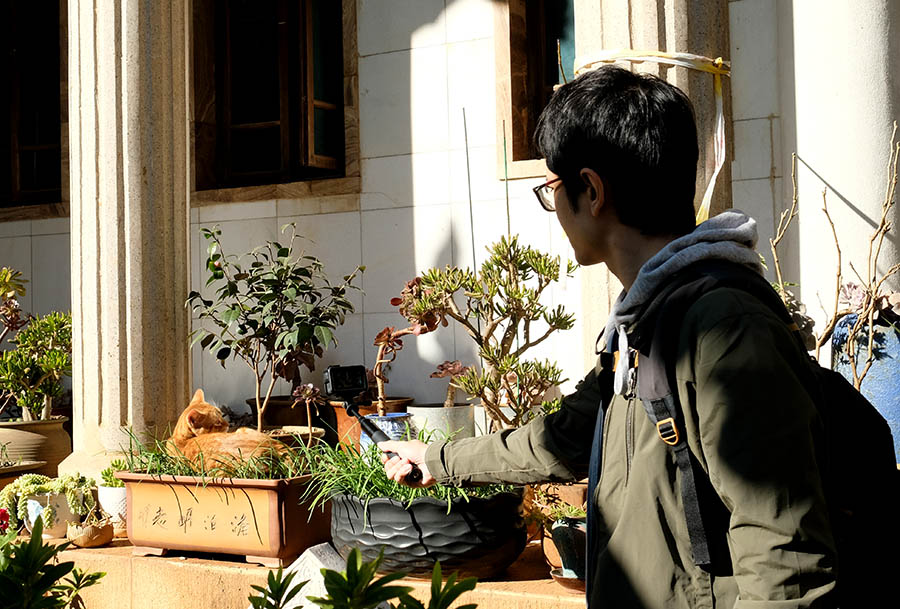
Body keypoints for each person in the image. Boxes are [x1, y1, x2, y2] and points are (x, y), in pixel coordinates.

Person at [379, 65, 836, 609]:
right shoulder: (642, 326)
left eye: (552, 188)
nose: (554, 210)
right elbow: (565, 436)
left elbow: (784, 560)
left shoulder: (723, 329)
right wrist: (437, 460)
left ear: (591, 190)